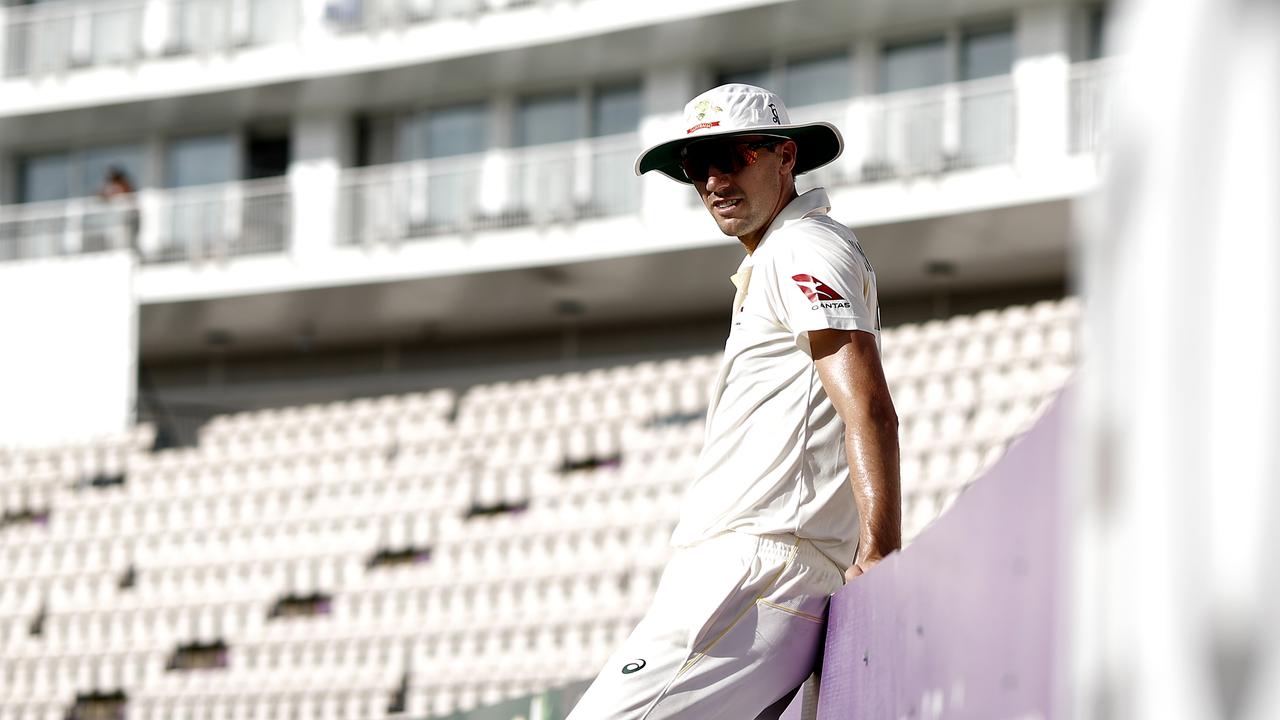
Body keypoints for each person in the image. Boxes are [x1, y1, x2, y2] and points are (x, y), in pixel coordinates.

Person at [567, 84, 901, 719]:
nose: (715, 179)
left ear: (785, 157)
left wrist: (881, 551)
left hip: (758, 566)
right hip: (754, 571)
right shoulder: (785, 252)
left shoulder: (803, 245)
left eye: (733, 156)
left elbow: (868, 402)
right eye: (698, 166)